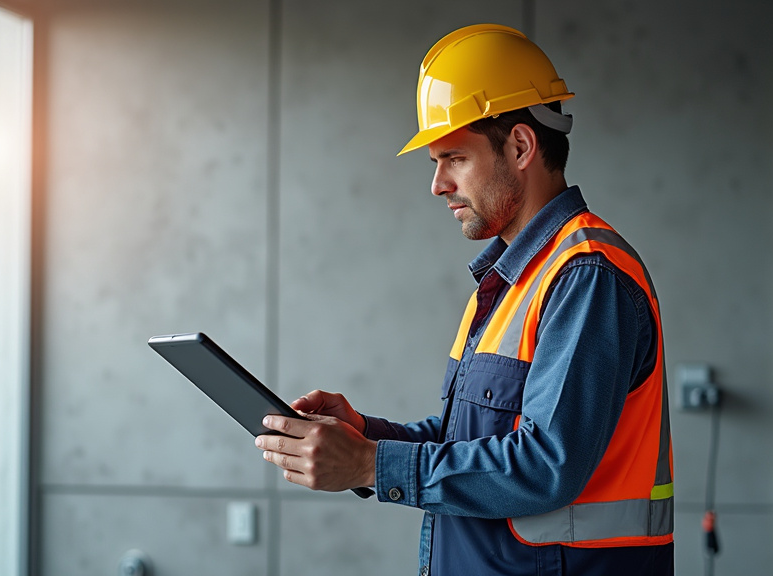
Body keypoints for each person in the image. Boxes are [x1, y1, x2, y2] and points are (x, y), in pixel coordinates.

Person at [254, 23, 674, 576]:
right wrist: (368, 435)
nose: (438, 185)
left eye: (454, 157)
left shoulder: (586, 275)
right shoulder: (515, 279)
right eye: (435, 163)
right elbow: (474, 440)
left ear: (521, 146)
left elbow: (546, 465)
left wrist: (370, 467)